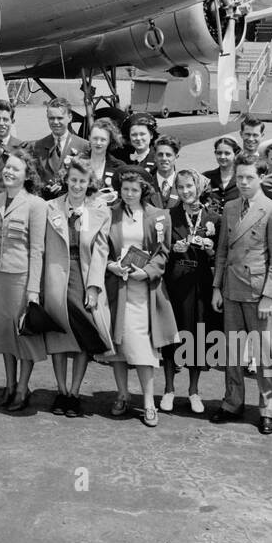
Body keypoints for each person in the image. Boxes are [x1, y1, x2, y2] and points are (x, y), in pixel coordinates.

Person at [210, 153, 272, 434]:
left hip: (257, 293)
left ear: (262, 178)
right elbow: (222, 251)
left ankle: (270, 408)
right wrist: (217, 287)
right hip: (231, 288)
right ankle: (233, 402)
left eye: (249, 177)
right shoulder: (230, 207)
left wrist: (269, 296)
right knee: (231, 352)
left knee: (265, 353)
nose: (243, 182)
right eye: (240, 177)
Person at [42, 158, 115, 418]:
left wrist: (94, 287)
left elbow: (101, 251)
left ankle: (74, 393)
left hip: (84, 278)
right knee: (59, 336)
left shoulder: (100, 210)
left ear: (89, 183)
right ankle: (61, 391)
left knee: (83, 336)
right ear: (66, 179)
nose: (76, 185)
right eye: (73, 180)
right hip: (55, 277)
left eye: (82, 182)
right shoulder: (50, 207)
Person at [103, 166, 176, 426]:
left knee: (143, 347)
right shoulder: (109, 214)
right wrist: (110, 265)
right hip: (116, 287)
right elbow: (100, 246)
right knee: (118, 347)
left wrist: (146, 273)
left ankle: (148, 401)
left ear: (143, 190)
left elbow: (163, 253)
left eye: (134, 190)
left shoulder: (158, 216)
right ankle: (122, 394)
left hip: (143, 290)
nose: (129, 194)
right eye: (125, 189)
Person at [0, 150, 48, 410]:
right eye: (7, 167)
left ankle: (22, 388)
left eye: (15, 169)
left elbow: (37, 249)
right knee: (4, 334)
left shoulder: (36, 204)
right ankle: (9, 385)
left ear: (26, 176)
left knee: (23, 335)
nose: (9, 172)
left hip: (21, 279)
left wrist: (33, 289)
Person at [164, 168, 220, 415]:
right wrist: (172, 248)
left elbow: (221, 256)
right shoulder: (169, 216)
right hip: (176, 282)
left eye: (190, 186)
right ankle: (168, 389)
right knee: (172, 335)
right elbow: (160, 250)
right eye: (181, 187)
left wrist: (210, 250)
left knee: (197, 335)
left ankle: (194, 391)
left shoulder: (213, 218)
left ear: (199, 187)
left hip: (200, 283)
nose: (186, 191)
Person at [30, 97, 90, 198]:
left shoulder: (84, 146)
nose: (55, 122)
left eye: (60, 118)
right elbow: (35, 180)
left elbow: (88, 179)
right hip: (47, 203)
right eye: (51, 118)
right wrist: (46, 188)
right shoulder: (38, 146)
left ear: (70, 117)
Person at [85, 117, 127, 206]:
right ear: (89, 138)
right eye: (95, 138)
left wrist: (111, 199)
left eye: (103, 139)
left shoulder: (119, 167)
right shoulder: (78, 162)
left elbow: (124, 197)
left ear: (109, 141)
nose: (98, 143)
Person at [202, 136, 241, 209]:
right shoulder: (206, 177)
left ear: (236, 154)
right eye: (219, 153)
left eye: (227, 153)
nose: (222, 157)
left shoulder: (243, 178)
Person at [147, 135, 181, 210]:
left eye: (168, 155)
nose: (164, 158)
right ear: (155, 157)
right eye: (160, 154)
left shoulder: (184, 184)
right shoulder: (146, 184)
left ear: (176, 157)